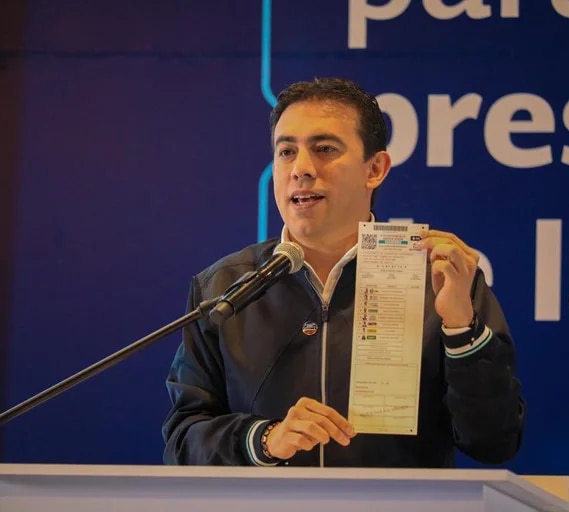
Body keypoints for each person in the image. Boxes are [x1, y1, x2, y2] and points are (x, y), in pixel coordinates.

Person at [162, 77, 525, 468]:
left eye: (324, 149)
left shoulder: (439, 280)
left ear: (375, 169)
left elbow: (494, 442)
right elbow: (182, 442)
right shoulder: (223, 288)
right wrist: (264, 440)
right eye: (286, 151)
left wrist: (460, 328)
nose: (301, 169)